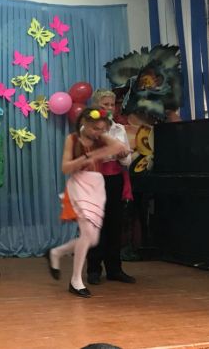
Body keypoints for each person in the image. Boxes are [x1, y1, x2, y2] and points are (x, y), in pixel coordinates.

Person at [47, 107, 127, 298]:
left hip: (97, 186)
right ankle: (76, 280)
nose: (98, 132)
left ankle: (56, 252)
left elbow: (120, 147)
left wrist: (103, 145)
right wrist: (87, 158)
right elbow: (65, 167)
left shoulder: (101, 138)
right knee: (87, 233)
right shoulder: (73, 139)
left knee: (92, 239)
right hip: (79, 185)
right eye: (95, 128)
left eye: (102, 129)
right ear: (84, 122)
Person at [86, 89, 136, 285]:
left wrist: (122, 156)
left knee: (115, 224)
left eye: (111, 105)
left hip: (115, 180)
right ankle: (93, 269)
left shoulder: (119, 129)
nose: (109, 108)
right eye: (104, 104)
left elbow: (127, 161)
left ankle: (115, 269)